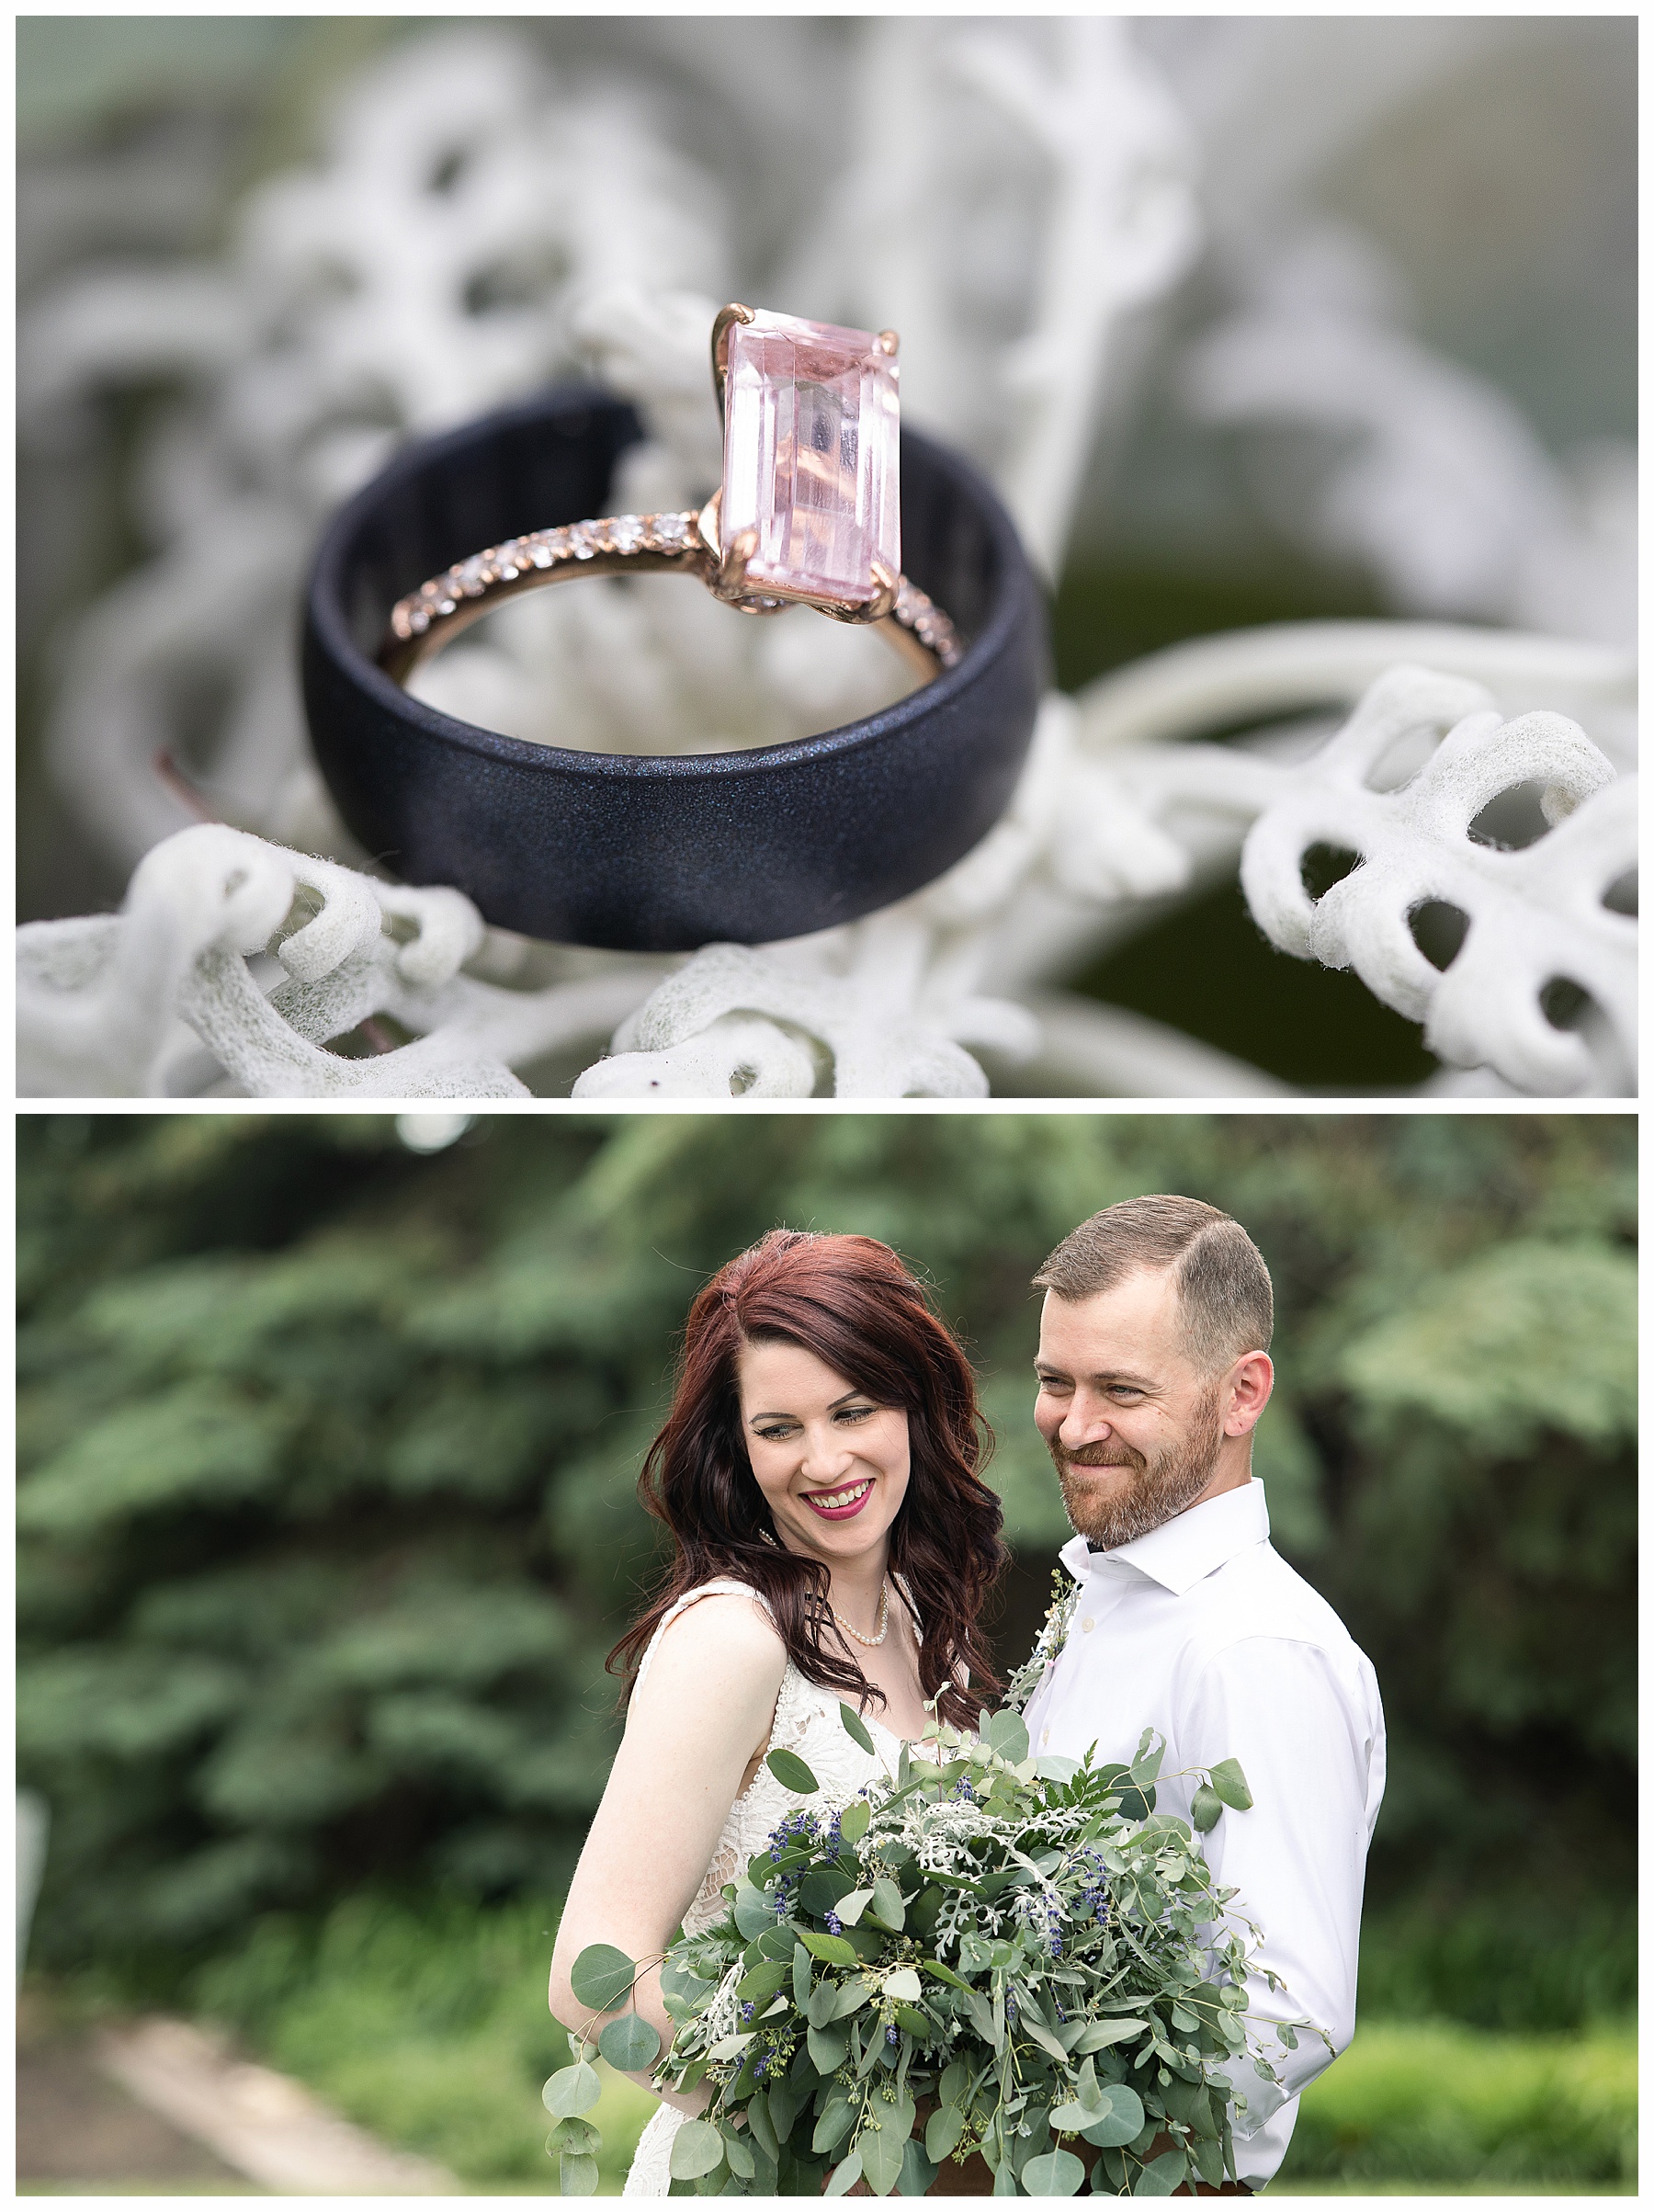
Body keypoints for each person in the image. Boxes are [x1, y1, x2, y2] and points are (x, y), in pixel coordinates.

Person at [548, 1228, 1007, 2197]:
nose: (825, 1458)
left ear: (914, 1406)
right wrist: (828, 2139)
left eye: (855, 1408)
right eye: (780, 1426)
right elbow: (591, 1977)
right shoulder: (733, 1639)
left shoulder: (935, 1634)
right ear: (736, 1443)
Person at [1020, 1195, 1386, 2195]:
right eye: (1056, 1380)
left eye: (1122, 1390)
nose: (1074, 1423)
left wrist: (1035, 2140)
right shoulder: (1110, 1596)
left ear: (1242, 1394)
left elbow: (1291, 2008)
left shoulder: (1253, 1646)